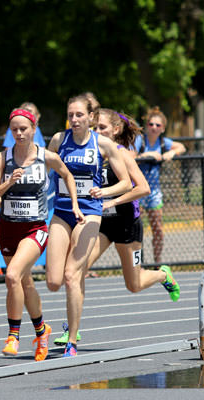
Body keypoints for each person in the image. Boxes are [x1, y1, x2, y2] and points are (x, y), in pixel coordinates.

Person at [52, 109, 180, 345]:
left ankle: (163, 274)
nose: (97, 132)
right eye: (95, 127)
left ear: (116, 130)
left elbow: (143, 188)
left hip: (126, 225)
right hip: (100, 223)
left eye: (102, 128)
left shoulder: (121, 153)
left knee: (134, 284)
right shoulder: (89, 151)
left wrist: (112, 201)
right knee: (75, 272)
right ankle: (72, 328)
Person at [0, 108, 82, 362]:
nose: (19, 133)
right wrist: (8, 182)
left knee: (12, 275)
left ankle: (13, 336)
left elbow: (67, 175)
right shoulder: (2, 158)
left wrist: (74, 204)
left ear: (33, 129)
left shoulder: (46, 156)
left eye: (23, 129)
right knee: (24, 283)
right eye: (14, 129)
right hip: (8, 228)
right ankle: (41, 331)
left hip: (34, 228)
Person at [45, 94, 132, 358]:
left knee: (72, 275)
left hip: (90, 213)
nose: (74, 119)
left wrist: (104, 193)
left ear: (90, 117)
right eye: (70, 115)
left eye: (79, 115)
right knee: (53, 281)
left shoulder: (103, 144)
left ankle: (71, 340)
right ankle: (52, 327)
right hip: (62, 211)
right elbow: (44, 171)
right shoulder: (59, 140)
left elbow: (125, 182)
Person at [132, 106, 187, 264]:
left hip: (154, 191)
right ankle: (137, 264)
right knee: (136, 229)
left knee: (158, 229)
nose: (154, 127)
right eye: (151, 124)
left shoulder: (163, 142)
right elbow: (131, 157)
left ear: (162, 128)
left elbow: (181, 147)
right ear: (146, 126)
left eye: (158, 125)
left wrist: (172, 152)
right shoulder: (140, 141)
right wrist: (149, 155)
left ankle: (157, 262)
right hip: (138, 190)